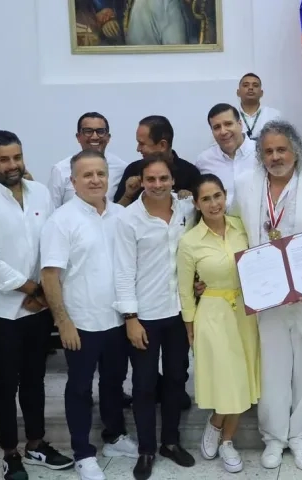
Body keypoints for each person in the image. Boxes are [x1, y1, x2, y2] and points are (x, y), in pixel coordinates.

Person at [0, 130, 73, 479]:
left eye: (17, 157)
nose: (13, 165)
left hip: (38, 311)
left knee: (35, 379)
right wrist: (34, 289)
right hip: (3, 312)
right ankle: (10, 453)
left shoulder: (39, 192)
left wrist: (43, 295)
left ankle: (36, 443)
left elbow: (53, 242)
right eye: (4, 159)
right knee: (6, 383)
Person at [229, 120, 302, 471]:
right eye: (268, 151)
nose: (275, 157)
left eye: (282, 150)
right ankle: (274, 437)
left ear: (296, 152)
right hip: (266, 296)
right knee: (273, 369)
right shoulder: (245, 185)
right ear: (260, 155)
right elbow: (232, 231)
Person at [40, 150, 138, 480]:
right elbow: (50, 275)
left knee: (113, 382)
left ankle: (114, 436)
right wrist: (63, 321)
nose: (95, 180)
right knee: (80, 388)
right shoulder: (61, 221)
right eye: (87, 175)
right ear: (73, 181)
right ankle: (83, 452)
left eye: (100, 173)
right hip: (80, 323)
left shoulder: (121, 215)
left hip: (116, 319)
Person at [113, 153, 196, 480]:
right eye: (151, 179)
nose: (158, 185)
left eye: (164, 178)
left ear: (173, 180)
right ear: (141, 182)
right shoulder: (127, 219)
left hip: (178, 313)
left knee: (177, 379)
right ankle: (147, 448)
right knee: (145, 385)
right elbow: (123, 271)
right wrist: (130, 317)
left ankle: (170, 442)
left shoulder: (187, 210)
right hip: (144, 315)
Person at [177, 174, 260, 473]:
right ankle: (219, 430)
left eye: (218, 196)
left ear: (226, 196)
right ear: (197, 204)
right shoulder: (189, 241)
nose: (214, 204)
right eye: (206, 199)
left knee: (244, 378)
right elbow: (185, 289)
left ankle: (223, 436)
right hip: (212, 313)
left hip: (246, 313)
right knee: (228, 377)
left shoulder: (242, 228)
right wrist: (189, 325)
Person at [114, 115, 200, 207]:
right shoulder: (132, 170)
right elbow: (115, 215)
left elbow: (202, 212)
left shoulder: (191, 173)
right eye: (150, 179)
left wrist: (192, 199)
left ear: (163, 145)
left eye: (142, 144)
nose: (138, 149)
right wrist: (128, 195)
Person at [47, 112, 127, 208]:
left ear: (108, 137)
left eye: (100, 131)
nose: (94, 137)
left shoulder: (122, 169)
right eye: (88, 131)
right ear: (78, 137)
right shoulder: (60, 169)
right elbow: (51, 209)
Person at [194, 103, 258, 206]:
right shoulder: (204, 161)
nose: (223, 131)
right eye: (217, 127)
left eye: (228, 124)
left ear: (240, 124)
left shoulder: (261, 152)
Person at [236, 73, 282, 139]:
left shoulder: (275, 115)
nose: (250, 88)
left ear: (261, 93)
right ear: (238, 92)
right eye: (246, 85)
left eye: (255, 85)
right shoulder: (231, 116)